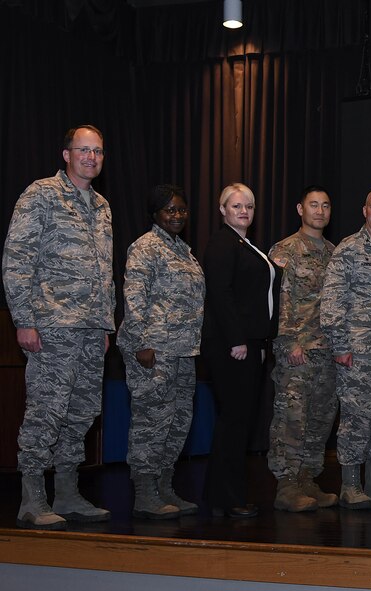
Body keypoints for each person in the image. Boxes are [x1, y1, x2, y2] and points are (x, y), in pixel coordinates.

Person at [2, 125, 114, 530]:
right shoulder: (41, 194)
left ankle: (67, 492)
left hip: (90, 330)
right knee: (46, 412)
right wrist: (24, 320)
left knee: (83, 412)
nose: (91, 157)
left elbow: (105, 272)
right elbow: (17, 258)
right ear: (66, 154)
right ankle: (32, 499)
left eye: (98, 151)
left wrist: (106, 325)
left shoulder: (102, 206)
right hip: (51, 328)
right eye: (83, 150)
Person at [117, 184, 205, 519]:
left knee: (178, 422)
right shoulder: (146, 247)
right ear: (155, 214)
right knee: (151, 423)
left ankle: (165, 486)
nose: (177, 215)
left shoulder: (183, 249)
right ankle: (144, 493)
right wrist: (141, 343)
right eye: (170, 210)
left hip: (182, 350)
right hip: (154, 349)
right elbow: (135, 296)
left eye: (182, 209)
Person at [320, 187, 371, 509]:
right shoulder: (349, 249)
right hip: (358, 352)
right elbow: (331, 303)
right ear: (364, 210)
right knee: (357, 418)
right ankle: (350, 485)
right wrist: (340, 346)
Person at [201, 182, 280, 518]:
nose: (244, 211)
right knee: (233, 423)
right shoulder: (222, 244)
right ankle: (227, 498)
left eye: (249, 206)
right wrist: (237, 341)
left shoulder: (244, 244)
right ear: (222, 210)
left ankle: (222, 495)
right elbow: (221, 294)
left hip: (249, 346)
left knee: (238, 423)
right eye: (236, 206)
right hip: (232, 348)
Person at [267, 186, 338, 512]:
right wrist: (288, 342)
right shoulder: (285, 250)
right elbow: (277, 302)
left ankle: (308, 479)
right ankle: (287, 485)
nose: (320, 211)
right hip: (298, 350)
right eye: (313, 205)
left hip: (327, 352)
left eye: (325, 205)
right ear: (300, 208)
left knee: (320, 420)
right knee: (291, 420)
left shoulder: (334, 253)